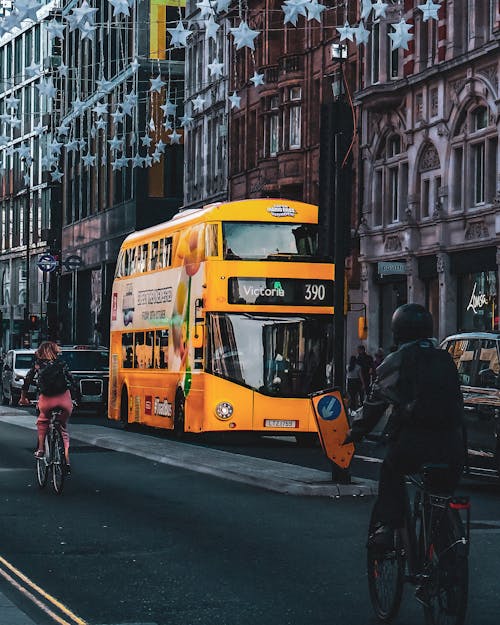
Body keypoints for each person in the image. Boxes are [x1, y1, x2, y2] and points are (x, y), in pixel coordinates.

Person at [343, 304, 465, 549]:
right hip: (452, 443)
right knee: (440, 493)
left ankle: (387, 527)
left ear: (398, 332)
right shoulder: (445, 358)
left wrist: (354, 433)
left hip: (415, 441)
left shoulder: (398, 360)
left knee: (391, 470)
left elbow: (375, 403)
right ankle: (446, 550)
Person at [18, 341, 79, 472]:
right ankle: (66, 459)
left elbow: (27, 380)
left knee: (42, 421)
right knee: (62, 428)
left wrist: (23, 398)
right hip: (64, 400)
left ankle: (40, 449)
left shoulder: (38, 364)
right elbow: (72, 380)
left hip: (46, 400)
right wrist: (74, 398)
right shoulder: (61, 364)